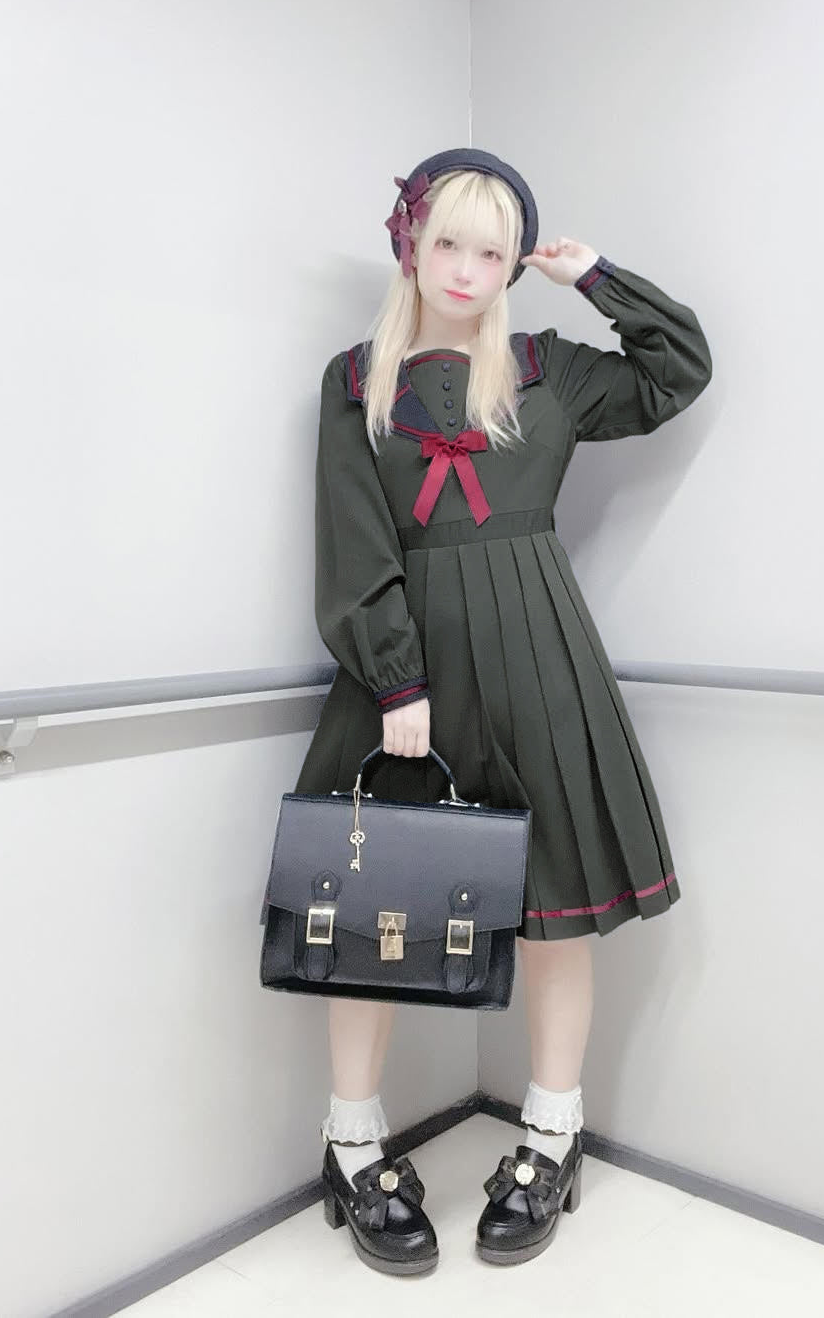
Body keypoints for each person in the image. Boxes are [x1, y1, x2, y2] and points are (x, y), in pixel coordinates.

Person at [298, 148, 713, 1273]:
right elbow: (353, 539)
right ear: (412, 246)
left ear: (512, 265)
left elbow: (678, 369)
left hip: (540, 661)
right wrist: (397, 680)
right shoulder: (356, 381)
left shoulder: (548, 370)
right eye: (449, 243)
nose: (467, 269)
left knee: (553, 910)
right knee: (371, 915)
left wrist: (597, 277)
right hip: (407, 681)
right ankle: (352, 1141)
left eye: (492, 251)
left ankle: (552, 1135)